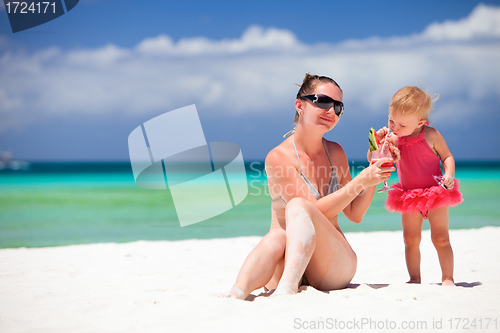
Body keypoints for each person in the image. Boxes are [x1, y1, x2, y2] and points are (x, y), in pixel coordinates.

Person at [225, 74, 399, 299]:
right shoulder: (278, 157)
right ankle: (238, 292)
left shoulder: (335, 152)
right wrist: (361, 180)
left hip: (330, 264)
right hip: (285, 265)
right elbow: (314, 210)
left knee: (298, 206)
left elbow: (355, 214)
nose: (331, 111)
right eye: (323, 102)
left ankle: (287, 289)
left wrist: (375, 168)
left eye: (338, 107)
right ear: (300, 105)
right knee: (278, 235)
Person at [378, 86, 463, 286]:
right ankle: (414, 278)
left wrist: (449, 175)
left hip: (436, 194)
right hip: (408, 197)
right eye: (391, 120)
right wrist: (379, 142)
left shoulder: (431, 135)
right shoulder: (393, 139)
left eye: (401, 124)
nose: (395, 127)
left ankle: (448, 278)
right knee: (410, 239)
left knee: (441, 238)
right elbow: (375, 160)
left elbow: (447, 157)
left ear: (420, 123)